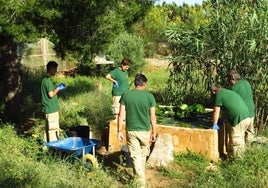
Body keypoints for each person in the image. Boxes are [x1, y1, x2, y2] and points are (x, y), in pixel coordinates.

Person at [117, 73, 157, 187]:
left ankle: (138, 179)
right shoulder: (150, 96)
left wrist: (119, 131)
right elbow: (153, 117)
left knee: (137, 156)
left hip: (131, 131)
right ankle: (140, 184)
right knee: (141, 155)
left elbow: (121, 115)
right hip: (145, 131)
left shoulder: (126, 95)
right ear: (144, 83)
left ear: (135, 83)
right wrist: (154, 132)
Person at [211, 83, 251, 158]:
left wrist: (215, 123)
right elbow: (229, 108)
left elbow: (216, 111)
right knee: (240, 139)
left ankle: (237, 162)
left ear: (213, 91)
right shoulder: (228, 92)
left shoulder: (219, 95)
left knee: (236, 141)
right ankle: (236, 157)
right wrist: (222, 120)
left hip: (239, 119)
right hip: (247, 117)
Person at [227, 70, 255, 142]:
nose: (228, 81)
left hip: (243, 115)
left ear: (233, 79)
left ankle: (241, 152)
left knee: (239, 134)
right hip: (251, 111)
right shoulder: (246, 82)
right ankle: (250, 149)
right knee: (250, 133)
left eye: (228, 79)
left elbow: (232, 104)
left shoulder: (234, 88)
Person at [41, 61, 65, 142]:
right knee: (53, 130)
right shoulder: (48, 80)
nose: (56, 71)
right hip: (51, 109)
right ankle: (54, 149)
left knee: (48, 129)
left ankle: (46, 147)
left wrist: (56, 87)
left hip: (48, 108)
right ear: (51, 68)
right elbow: (51, 94)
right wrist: (58, 88)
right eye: (55, 69)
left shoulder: (45, 79)